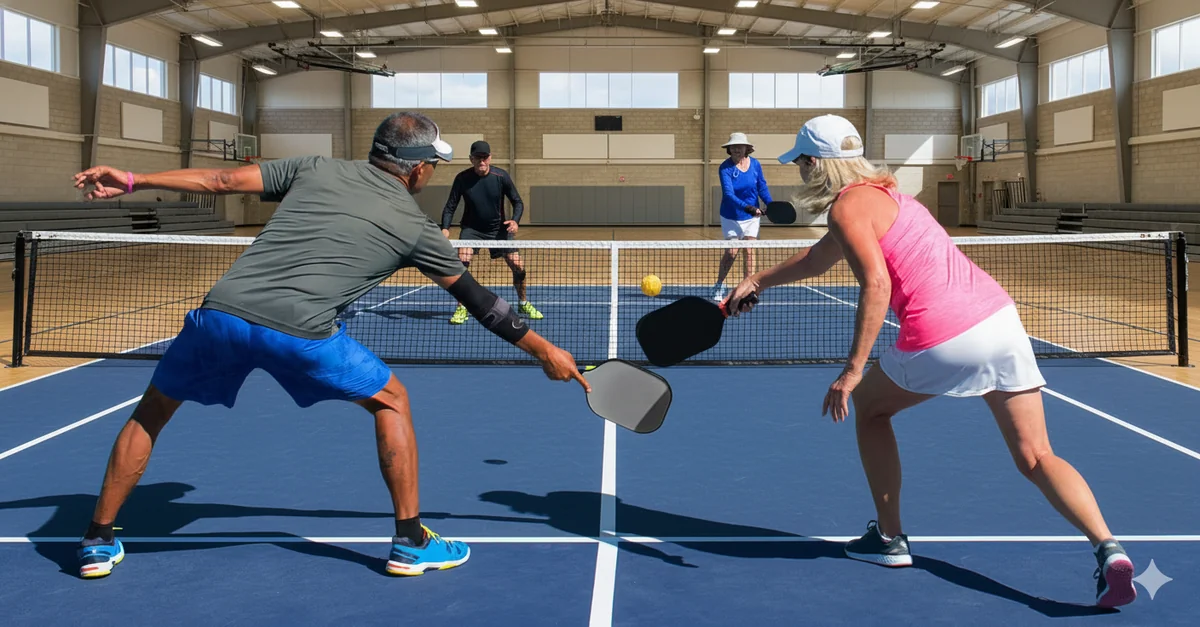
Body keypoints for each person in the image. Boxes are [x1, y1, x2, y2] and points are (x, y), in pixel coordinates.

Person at [68, 112, 590, 580]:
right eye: (431, 162)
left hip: (220, 313)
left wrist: (133, 178)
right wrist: (546, 351)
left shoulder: (315, 167)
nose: (430, 172)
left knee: (153, 410)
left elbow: (220, 179)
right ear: (414, 170)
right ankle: (410, 542)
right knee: (392, 400)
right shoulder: (416, 227)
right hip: (300, 331)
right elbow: (483, 303)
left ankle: (96, 539)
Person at [724, 114, 1136, 608]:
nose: (802, 172)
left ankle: (890, 538)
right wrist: (756, 282)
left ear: (818, 164)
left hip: (943, 334)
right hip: (1000, 322)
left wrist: (853, 370)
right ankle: (1108, 549)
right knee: (1036, 455)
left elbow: (876, 285)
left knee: (873, 410)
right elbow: (816, 260)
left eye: (804, 163)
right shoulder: (890, 197)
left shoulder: (847, 210)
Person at [441, 140, 542, 324]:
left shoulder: (500, 176)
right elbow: (450, 207)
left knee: (518, 267)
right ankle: (462, 307)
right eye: (478, 157)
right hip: (471, 230)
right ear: (471, 159)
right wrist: (445, 228)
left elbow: (517, 201)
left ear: (490, 157)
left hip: (498, 230)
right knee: (461, 264)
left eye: (485, 157)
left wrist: (515, 221)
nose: (482, 161)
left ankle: (523, 303)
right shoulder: (462, 179)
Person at [712, 132, 772, 302]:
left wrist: (770, 203)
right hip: (732, 215)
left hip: (751, 217)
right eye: (733, 147)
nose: (736, 149)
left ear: (747, 148)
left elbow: (762, 186)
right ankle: (719, 284)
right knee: (732, 252)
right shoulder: (725, 168)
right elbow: (729, 195)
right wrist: (749, 208)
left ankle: (748, 288)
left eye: (740, 146)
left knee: (749, 250)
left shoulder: (755, 164)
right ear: (729, 149)